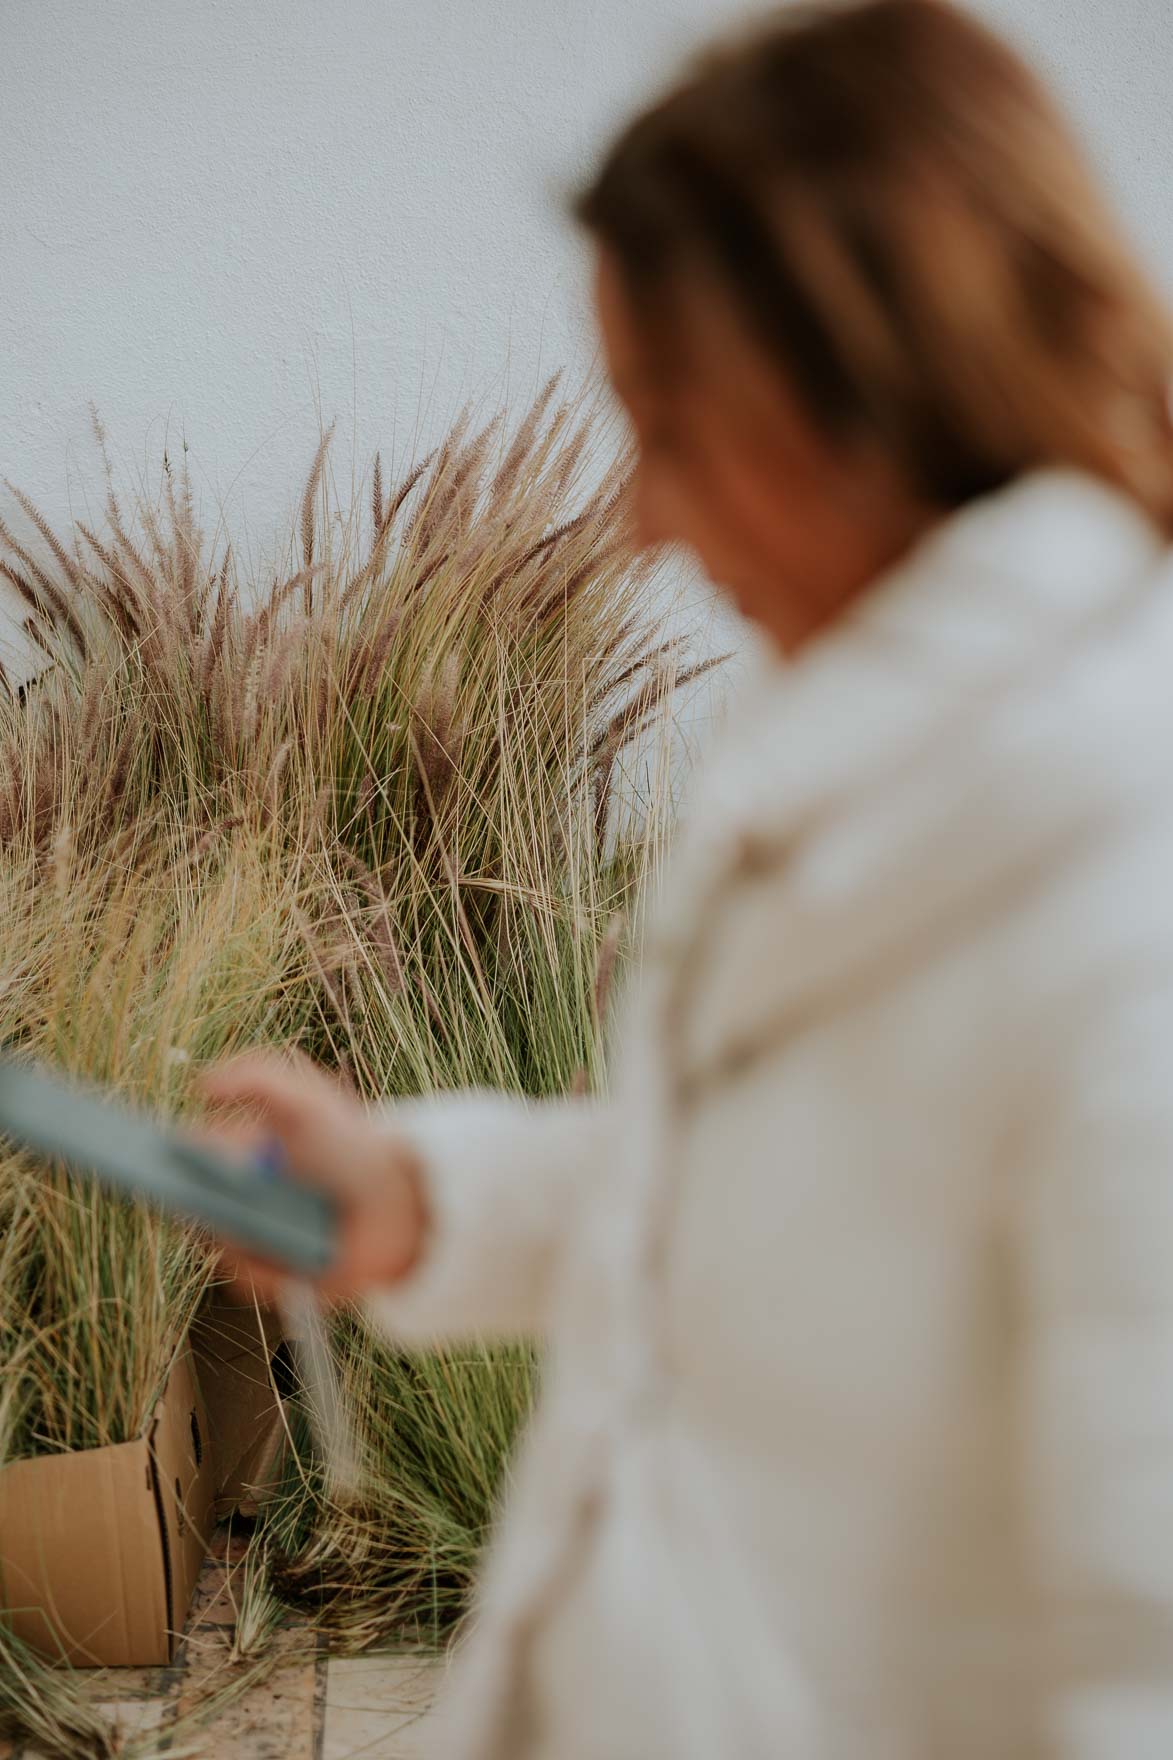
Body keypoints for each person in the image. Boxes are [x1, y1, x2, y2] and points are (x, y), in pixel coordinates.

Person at [199, 1, 1173, 1754]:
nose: (638, 520)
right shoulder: (889, 772)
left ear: (866, 394)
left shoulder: (1122, 877)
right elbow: (778, 1213)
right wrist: (417, 1194)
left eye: (668, 424)